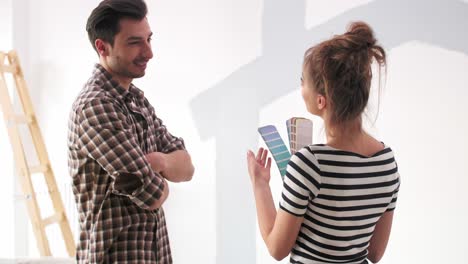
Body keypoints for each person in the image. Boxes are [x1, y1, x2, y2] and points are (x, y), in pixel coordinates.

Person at [247, 21, 400, 264]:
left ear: (321, 101)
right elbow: (375, 253)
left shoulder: (308, 164)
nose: (300, 87)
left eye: (302, 80)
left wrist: (260, 185)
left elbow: (277, 249)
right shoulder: (387, 163)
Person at [68, 0, 194, 263]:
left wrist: (160, 161)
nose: (149, 53)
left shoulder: (135, 100)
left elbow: (187, 168)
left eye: (149, 40)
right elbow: (154, 194)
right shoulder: (96, 107)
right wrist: (163, 173)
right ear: (102, 47)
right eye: (134, 42)